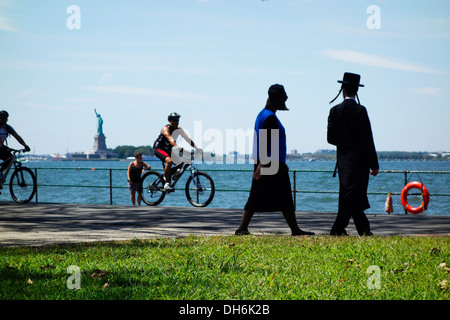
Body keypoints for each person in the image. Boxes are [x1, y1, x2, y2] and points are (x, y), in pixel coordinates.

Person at [235, 84, 314, 236]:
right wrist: (262, 166)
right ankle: (295, 230)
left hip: (265, 162)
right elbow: (266, 142)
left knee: (258, 196)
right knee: (283, 196)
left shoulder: (262, 114)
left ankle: (242, 228)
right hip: (270, 163)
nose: (285, 100)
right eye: (284, 97)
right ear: (276, 99)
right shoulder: (270, 117)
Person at [327, 72, 379, 236]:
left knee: (347, 195)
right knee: (355, 196)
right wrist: (374, 164)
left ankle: (340, 229)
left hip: (343, 161)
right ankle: (356, 230)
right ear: (357, 90)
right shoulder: (361, 110)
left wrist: (344, 143)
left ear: (342, 89)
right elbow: (368, 139)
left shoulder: (334, 110)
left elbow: (330, 138)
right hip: (361, 161)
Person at [153, 112, 201, 191]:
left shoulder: (179, 129)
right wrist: (178, 148)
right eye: (175, 120)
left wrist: (197, 148)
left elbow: (188, 139)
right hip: (158, 149)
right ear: (170, 121)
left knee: (180, 163)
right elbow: (170, 139)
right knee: (169, 161)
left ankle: (167, 176)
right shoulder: (165, 129)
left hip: (168, 150)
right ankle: (167, 183)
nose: (177, 121)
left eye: (178, 120)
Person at [0, 110, 31, 188]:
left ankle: (0, 172)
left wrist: (25, 145)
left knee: (10, 159)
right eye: (2, 118)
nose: (4, 120)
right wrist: (2, 145)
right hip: (1, 147)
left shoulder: (7, 127)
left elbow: (17, 136)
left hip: (1, 148)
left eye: (6, 119)